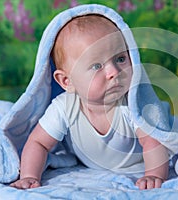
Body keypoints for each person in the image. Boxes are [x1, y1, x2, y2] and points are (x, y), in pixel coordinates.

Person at [10, 14, 169, 190]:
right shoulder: (64, 108)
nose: (113, 72)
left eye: (120, 59)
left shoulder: (132, 105)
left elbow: (153, 142)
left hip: (136, 164)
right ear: (66, 81)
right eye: (96, 66)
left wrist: (154, 175)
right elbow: (37, 142)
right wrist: (30, 176)